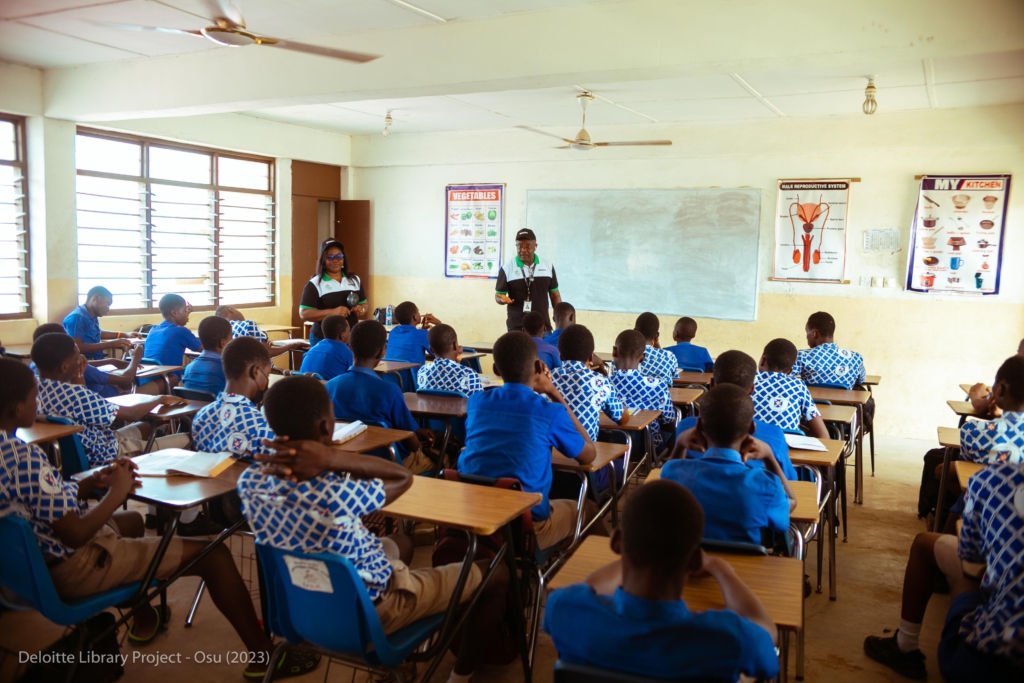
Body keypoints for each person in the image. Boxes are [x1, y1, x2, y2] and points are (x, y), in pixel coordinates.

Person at [0, 359, 318, 679]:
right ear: (16, 409)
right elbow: (73, 534)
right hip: (72, 566)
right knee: (216, 556)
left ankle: (144, 618)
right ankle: (264, 656)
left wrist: (89, 484)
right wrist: (116, 493)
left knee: (132, 523)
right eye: (34, 397)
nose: (37, 403)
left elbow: (41, 499)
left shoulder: (7, 452)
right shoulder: (21, 455)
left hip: (21, 569)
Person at [238, 376, 508, 683]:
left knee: (401, 543)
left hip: (301, 608)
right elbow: (403, 479)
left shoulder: (250, 482)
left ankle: (401, 656)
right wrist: (332, 457)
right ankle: (458, 677)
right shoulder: (336, 491)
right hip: (374, 610)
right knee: (496, 573)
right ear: (328, 428)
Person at [543, 479, 779, 681]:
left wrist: (635, 548)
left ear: (616, 544)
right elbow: (768, 635)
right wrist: (721, 569)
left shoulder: (562, 608)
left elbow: (586, 589)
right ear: (695, 561)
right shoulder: (730, 640)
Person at [863, 459, 1024, 681]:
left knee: (958, 568)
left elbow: (973, 550)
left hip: (987, 659)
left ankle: (905, 647)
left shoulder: (1004, 479)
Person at [458, 331, 602, 550]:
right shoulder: (550, 412)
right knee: (589, 508)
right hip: (525, 529)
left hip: (475, 517)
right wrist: (554, 392)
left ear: (496, 370)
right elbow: (589, 455)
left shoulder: (476, 403)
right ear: (538, 367)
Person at [661, 384, 795, 545]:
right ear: (752, 428)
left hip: (688, 564)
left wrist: (680, 445)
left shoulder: (675, 471)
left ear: (699, 426)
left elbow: (668, 483)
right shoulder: (766, 485)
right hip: (744, 569)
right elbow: (791, 503)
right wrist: (769, 457)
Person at [32, 333, 188, 466]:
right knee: (189, 438)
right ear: (64, 367)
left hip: (83, 448)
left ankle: (156, 442)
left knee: (147, 426)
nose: (81, 360)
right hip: (106, 456)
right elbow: (132, 414)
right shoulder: (75, 396)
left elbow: (83, 407)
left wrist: (78, 375)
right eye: (77, 357)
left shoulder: (32, 389)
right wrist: (159, 399)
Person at [324, 321, 435, 474]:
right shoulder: (389, 391)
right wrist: (419, 440)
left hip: (347, 464)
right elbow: (413, 445)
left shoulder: (331, 386)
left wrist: (417, 430)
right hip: (391, 465)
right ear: (381, 353)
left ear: (350, 347)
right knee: (446, 459)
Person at [671, 350, 798, 480]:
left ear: (712, 384)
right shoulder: (775, 436)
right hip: (750, 499)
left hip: (693, 497)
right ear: (751, 389)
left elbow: (674, 471)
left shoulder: (685, 428)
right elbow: (790, 480)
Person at [552, 324, 628, 492]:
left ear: (560, 355)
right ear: (591, 357)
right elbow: (623, 419)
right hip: (585, 474)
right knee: (623, 464)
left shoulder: (548, 379)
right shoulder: (598, 382)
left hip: (550, 473)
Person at [31, 323, 146, 398]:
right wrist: (135, 359)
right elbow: (125, 379)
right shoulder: (79, 369)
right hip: (110, 401)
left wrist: (111, 361)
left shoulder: (35, 366)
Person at [609, 330, 675, 454]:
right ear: (643, 358)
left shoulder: (603, 385)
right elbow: (668, 425)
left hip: (610, 448)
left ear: (614, 351)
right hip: (647, 449)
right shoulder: (658, 386)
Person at [753, 338, 829, 439]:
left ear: (763, 360)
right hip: (785, 452)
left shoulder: (746, 380)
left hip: (744, 450)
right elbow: (823, 436)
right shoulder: (799, 386)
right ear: (789, 371)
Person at [299, 238, 367, 346]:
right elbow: (304, 313)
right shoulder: (315, 283)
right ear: (323, 260)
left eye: (339, 256)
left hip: (350, 337)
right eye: (330, 257)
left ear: (344, 259)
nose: (335, 260)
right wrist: (333, 312)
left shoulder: (355, 280)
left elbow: (364, 303)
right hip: (323, 339)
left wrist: (361, 309)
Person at [494, 228, 561, 332]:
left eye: (528, 246)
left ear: (535, 246)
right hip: (517, 328)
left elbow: (554, 294)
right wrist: (502, 299)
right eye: (519, 246)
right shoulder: (506, 268)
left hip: (543, 328)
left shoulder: (548, 266)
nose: (523, 250)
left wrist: (559, 316)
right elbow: (498, 295)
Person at [140, 293, 202, 390]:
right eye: (185, 311)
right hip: (166, 379)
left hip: (146, 378)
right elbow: (205, 349)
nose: (187, 314)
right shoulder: (180, 331)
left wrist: (186, 311)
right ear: (174, 313)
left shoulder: (153, 330)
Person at [793, 311, 866, 390]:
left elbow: (786, 377)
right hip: (843, 402)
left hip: (812, 402)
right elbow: (861, 380)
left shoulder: (802, 356)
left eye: (807, 332)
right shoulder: (855, 358)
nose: (806, 336)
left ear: (814, 333)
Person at [62, 286, 134, 361]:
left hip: (97, 359)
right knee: (120, 364)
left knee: (124, 364)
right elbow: (77, 347)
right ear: (95, 297)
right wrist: (110, 344)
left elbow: (96, 332)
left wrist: (124, 334)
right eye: (107, 303)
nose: (108, 308)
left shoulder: (92, 315)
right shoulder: (77, 318)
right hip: (85, 363)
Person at [416, 324, 484, 396]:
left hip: (428, 407)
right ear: (455, 345)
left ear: (431, 349)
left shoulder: (422, 371)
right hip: (460, 408)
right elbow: (479, 402)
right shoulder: (469, 374)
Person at [181, 316, 232, 396]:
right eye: (231, 338)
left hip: (193, 408)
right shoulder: (228, 370)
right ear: (223, 343)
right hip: (219, 408)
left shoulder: (189, 368)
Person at [298, 314, 352, 380]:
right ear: (342, 336)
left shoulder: (312, 350)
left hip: (304, 386)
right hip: (327, 389)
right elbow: (353, 377)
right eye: (349, 331)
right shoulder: (346, 352)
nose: (350, 333)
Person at [633, 312, 678, 385]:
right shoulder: (669, 356)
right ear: (657, 335)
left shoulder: (627, 355)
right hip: (662, 395)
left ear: (635, 331)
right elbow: (673, 378)